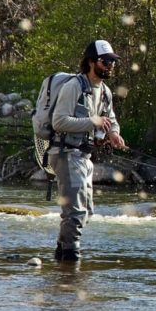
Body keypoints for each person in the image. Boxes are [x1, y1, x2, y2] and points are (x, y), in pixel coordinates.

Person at [49, 40, 126, 262]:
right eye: (106, 61)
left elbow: (110, 119)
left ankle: (61, 259)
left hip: (84, 156)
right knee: (75, 212)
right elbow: (59, 121)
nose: (110, 66)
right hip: (65, 153)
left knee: (86, 211)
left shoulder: (105, 91)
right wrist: (93, 121)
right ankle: (72, 260)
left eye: (113, 62)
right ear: (91, 62)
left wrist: (113, 133)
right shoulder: (73, 86)